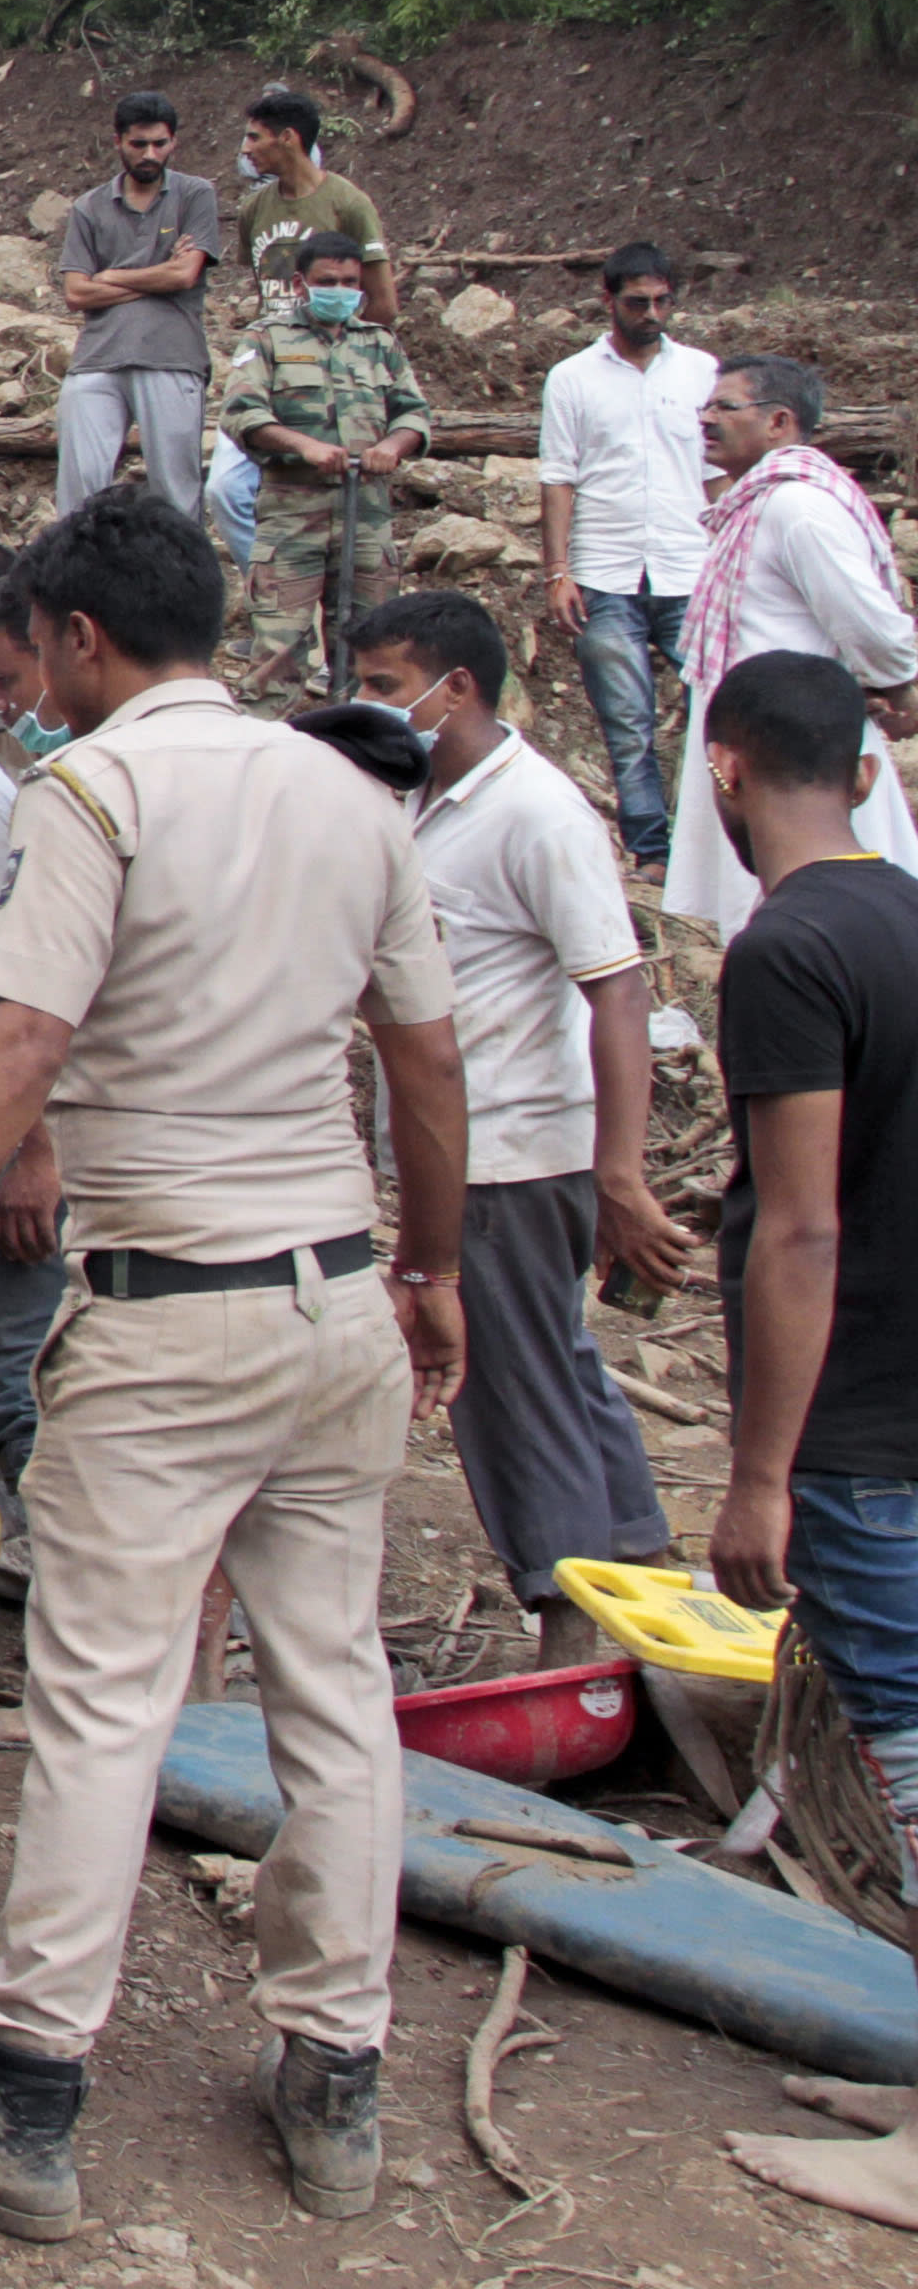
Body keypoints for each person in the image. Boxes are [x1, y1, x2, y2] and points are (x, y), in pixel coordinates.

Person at [0, 490, 469, 2246]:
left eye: (28, 653)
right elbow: (421, 1053)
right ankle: (335, 2064)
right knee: (330, 1685)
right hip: (332, 1303)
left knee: (100, 1695)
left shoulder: (91, 791)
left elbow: (21, 1043)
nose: (21, 683)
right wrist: (430, 1263)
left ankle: (22, 2090)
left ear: (81, 640)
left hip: (168, 1309)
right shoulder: (345, 790)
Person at [342, 591, 685, 1659]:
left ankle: (569, 1627)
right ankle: (638, 1572)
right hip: (474, 1147)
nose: (370, 706)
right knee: (557, 1364)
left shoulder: (536, 814)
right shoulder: (426, 802)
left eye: (387, 687)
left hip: (513, 1149)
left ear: (460, 689)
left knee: (506, 1386)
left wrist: (620, 1173)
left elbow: (617, 988)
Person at [699, 650, 918, 1859]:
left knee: (903, 1738)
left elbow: (803, 1223)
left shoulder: (787, 951)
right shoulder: (906, 915)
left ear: (724, 768)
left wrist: (761, 1477)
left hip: (856, 1427)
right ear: (866, 770)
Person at [671, 353, 918, 936]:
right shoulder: (757, 503)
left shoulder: (797, 506)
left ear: (779, 422)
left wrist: (901, 689)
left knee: (828, 910)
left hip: (798, 743)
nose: (706, 419)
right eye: (705, 406)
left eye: (725, 407)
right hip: (761, 734)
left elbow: (872, 628)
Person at [536, 244, 716, 876]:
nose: (653, 313)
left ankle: (708, 845)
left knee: (713, 708)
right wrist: (557, 573)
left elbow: (717, 472)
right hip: (605, 571)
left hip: (690, 566)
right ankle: (652, 849)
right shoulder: (573, 378)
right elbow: (559, 478)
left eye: (664, 301)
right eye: (638, 302)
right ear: (607, 301)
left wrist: (732, 559)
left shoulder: (701, 373)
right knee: (627, 720)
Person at [219, 229, 429, 703]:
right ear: (300, 284)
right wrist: (303, 446)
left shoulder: (379, 344)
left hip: (366, 519)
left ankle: (357, 760)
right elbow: (241, 413)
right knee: (277, 656)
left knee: (370, 656)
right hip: (292, 519)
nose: (340, 291)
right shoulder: (266, 338)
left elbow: (414, 413)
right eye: (327, 281)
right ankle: (265, 765)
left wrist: (392, 447)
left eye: (349, 282)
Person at [51, 94, 220, 519]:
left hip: (171, 355)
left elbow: (184, 277)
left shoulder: (195, 195)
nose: (150, 154)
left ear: (174, 143)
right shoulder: (89, 206)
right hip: (96, 358)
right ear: (117, 142)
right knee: (79, 490)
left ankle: (180, 583)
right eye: (138, 144)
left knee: (176, 492)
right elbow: (75, 294)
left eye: (159, 144)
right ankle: (77, 581)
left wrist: (108, 276)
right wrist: (158, 273)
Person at [231, 88, 391, 325]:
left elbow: (384, 305)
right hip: (272, 353)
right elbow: (266, 293)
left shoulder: (349, 204)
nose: (245, 150)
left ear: (287, 138)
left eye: (255, 138)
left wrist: (344, 347)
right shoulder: (253, 208)